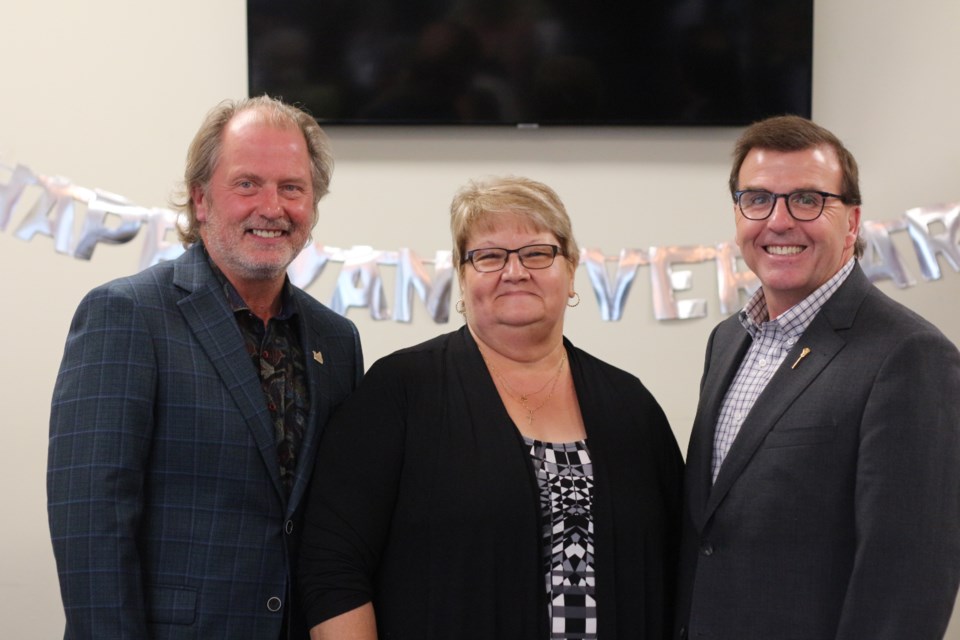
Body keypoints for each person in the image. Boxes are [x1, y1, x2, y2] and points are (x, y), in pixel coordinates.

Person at [298, 175, 684, 639]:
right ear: (462, 275)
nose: (515, 271)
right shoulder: (400, 391)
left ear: (572, 268)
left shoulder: (631, 406)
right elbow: (333, 564)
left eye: (537, 253)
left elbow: (680, 561)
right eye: (489, 255)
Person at [47, 96, 364, 639]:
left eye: (292, 187)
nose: (273, 206)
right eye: (247, 184)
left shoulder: (337, 341)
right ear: (200, 200)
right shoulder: (126, 315)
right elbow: (90, 523)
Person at [676, 115, 960, 639]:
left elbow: (909, 580)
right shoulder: (727, 340)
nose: (778, 221)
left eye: (807, 200)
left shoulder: (910, 356)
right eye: (757, 199)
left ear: (851, 223)